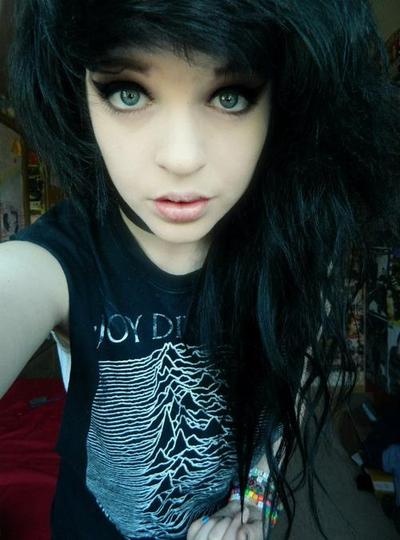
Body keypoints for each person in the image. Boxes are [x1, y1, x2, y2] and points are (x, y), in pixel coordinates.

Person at [1, 1, 399, 539]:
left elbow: (298, 379)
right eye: (128, 92)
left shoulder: (292, 247)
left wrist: (254, 503)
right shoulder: (55, 262)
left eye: (230, 96)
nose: (183, 157)